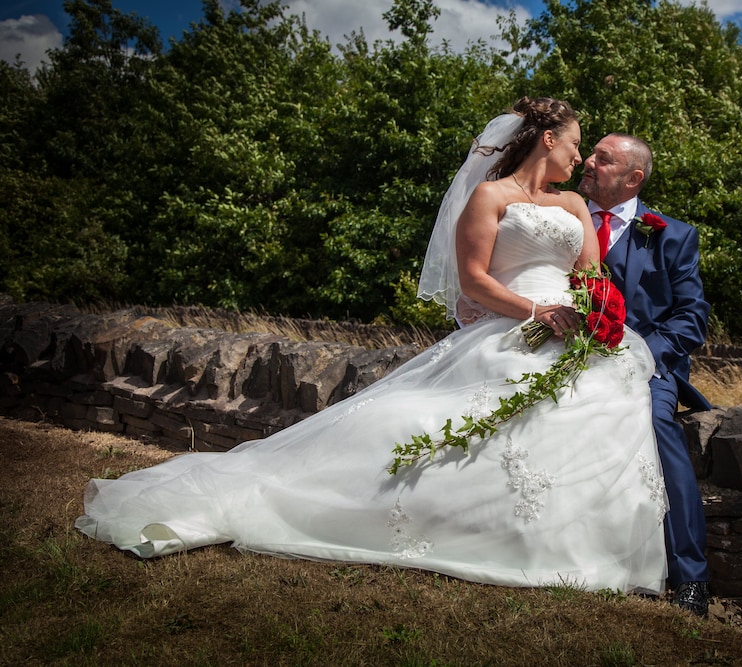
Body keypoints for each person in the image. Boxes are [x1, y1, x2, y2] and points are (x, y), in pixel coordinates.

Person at [75, 98, 672, 595]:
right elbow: (474, 282)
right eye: (574, 143)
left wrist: (596, 312)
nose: (579, 155)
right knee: (428, 421)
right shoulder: (490, 199)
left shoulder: (573, 206)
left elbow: (591, 278)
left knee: (597, 414)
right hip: (515, 324)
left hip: (577, 335)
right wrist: (538, 312)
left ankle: (571, 546)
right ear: (545, 139)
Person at [578, 133, 713, 616]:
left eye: (602, 158)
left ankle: (691, 577)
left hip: (647, 367)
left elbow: (691, 317)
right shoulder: (561, 217)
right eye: (590, 153)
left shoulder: (672, 235)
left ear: (633, 178)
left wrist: (641, 356)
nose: (587, 161)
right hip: (563, 356)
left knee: (656, 427)